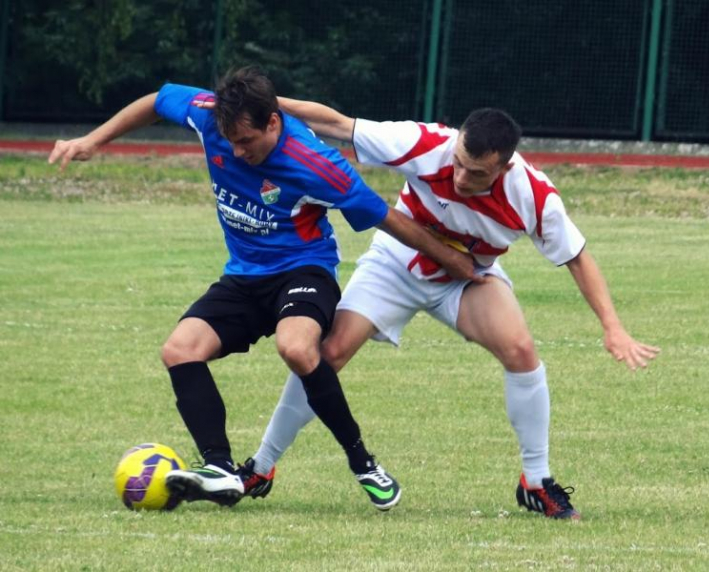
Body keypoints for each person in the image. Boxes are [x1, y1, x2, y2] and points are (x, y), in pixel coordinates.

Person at [48, 66, 480, 511]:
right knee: (179, 350)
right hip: (243, 277)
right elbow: (158, 100)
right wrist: (92, 141)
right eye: (230, 141)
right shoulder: (209, 115)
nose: (237, 152)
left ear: (273, 122)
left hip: (303, 271)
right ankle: (219, 468)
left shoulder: (318, 165)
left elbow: (387, 218)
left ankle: (362, 462)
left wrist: (451, 259)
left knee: (296, 348)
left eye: (246, 141)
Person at [237, 99, 661, 520]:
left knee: (521, 351)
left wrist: (613, 327)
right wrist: (261, 102)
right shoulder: (426, 143)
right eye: (458, 162)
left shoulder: (532, 195)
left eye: (476, 173)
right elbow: (338, 124)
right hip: (395, 263)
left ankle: (536, 482)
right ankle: (261, 466)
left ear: (504, 167)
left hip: (467, 278)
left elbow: (577, 257)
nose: (460, 177)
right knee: (327, 354)